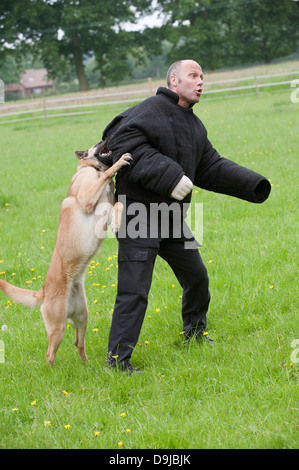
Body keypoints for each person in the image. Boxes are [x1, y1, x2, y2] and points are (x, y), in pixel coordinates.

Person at [101, 60, 271, 374]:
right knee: (134, 290)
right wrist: (170, 176)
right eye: (193, 76)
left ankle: (194, 333)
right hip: (138, 215)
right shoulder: (149, 110)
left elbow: (211, 167)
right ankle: (117, 362)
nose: (200, 81)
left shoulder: (194, 126)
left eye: (203, 77)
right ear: (174, 81)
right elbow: (119, 141)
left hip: (170, 218)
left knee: (197, 277)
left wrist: (253, 184)